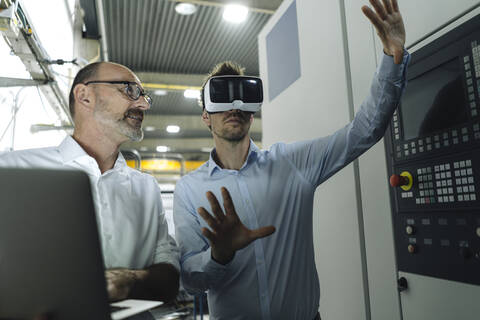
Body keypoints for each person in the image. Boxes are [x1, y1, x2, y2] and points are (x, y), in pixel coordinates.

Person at [173, 0, 409, 319]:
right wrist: (219, 255)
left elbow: (365, 131)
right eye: (222, 98)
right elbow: (190, 281)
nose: (234, 105)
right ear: (205, 116)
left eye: (242, 96)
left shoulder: (292, 162)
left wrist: (391, 58)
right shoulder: (189, 189)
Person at [0, 62, 180, 304]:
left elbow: (168, 277)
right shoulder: (12, 170)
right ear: (84, 96)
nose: (143, 104)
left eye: (144, 96)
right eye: (130, 90)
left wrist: (131, 279)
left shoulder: (146, 188)